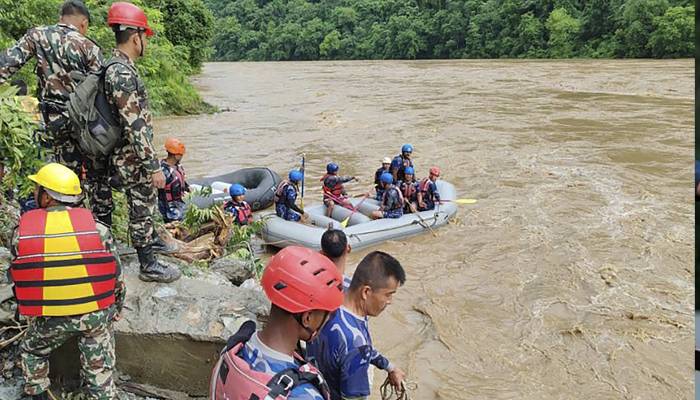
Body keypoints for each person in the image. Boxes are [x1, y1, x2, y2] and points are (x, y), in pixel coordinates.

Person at [8, 163, 124, 400]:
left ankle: (39, 393)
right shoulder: (98, 230)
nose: (33, 192)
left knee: (31, 350)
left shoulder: (22, 233)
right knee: (99, 367)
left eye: (37, 188)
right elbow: (116, 276)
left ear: (48, 196)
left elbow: (21, 275)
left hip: (53, 316)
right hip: (94, 315)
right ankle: (101, 392)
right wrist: (116, 308)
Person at [102, 2, 180, 283]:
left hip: (123, 153)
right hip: (130, 156)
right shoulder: (121, 73)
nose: (145, 41)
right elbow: (134, 125)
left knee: (140, 206)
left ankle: (146, 246)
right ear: (136, 37)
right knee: (142, 205)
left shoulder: (116, 67)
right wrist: (153, 167)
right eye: (145, 36)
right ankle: (148, 264)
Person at [210, 246, 344, 400]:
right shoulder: (303, 395)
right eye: (327, 314)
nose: (327, 319)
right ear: (307, 318)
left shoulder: (235, 350)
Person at [0, 0, 102, 170]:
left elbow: (6, 64)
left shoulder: (37, 35)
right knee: (70, 177)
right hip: (76, 124)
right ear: (84, 23)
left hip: (45, 121)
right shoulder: (90, 47)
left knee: (43, 171)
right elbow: (100, 92)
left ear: (60, 17)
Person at [306, 251, 407, 400]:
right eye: (388, 294)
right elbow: (358, 349)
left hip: (313, 378)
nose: (390, 301)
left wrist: (389, 367)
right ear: (366, 292)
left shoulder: (339, 288)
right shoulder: (356, 346)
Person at [157, 138, 189, 223]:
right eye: (181, 154)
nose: (182, 156)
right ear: (176, 155)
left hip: (180, 204)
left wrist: (187, 188)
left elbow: (181, 182)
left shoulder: (178, 166)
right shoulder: (164, 171)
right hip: (170, 209)